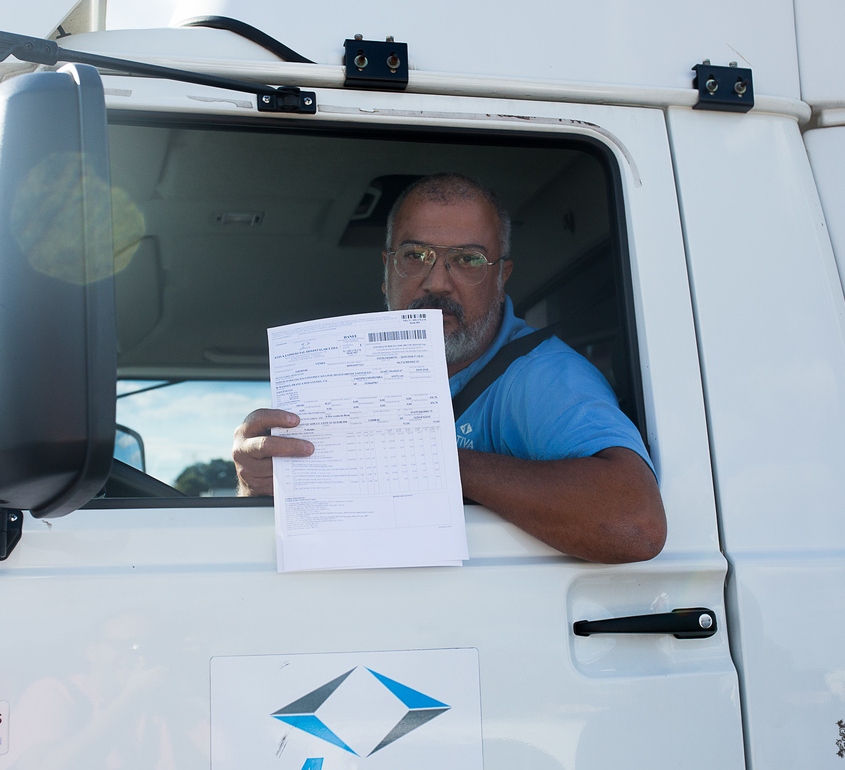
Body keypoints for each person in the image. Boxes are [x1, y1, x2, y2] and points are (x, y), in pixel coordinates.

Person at [233, 174, 665, 563]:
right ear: (387, 270)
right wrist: (259, 484)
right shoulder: (339, 374)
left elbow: (637, 526)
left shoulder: (541, 375)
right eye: (415, 254)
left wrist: (426, 460)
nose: (437, 281)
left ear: (501, 277)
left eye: (468, 259)